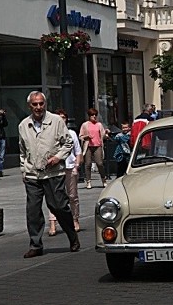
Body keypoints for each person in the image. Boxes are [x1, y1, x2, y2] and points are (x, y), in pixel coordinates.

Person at [18, 91, 80, 258]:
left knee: (58, 206)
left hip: (53, 173)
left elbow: (68, 143)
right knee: (33, 211)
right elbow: (22, 151)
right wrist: (24, 169)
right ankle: (35, 245)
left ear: (45, 104)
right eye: (34, 104)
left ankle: (72, 236)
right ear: (29, 106)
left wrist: (58, 157)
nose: (38, 107)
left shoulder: (56, 121)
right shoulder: (23, 125)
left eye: (41, 104)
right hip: (33, 174)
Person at [48, 109, 83, 236]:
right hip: (55, 169)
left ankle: (75, 219)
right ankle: (53, 223)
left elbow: (78, 151)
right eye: (59, 117)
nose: (61, 119)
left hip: (69, 167)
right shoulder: (50, 134)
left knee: (72, 196)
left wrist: (76, 166)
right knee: (54, 197)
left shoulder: (72, 133)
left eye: (63, 117)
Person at [79, 108, 110, 189]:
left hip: (97, 145)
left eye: (96, 115)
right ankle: (88, 181)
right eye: (92, 115)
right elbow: (80, 136)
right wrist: (86, 136)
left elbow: (103, 136)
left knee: (99, 163)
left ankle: (104, 179)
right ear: (89, 116)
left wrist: (106, 134)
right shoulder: (85, 125)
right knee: (88, 164)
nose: (94, 116)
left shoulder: (99, 125)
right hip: (88, 146)